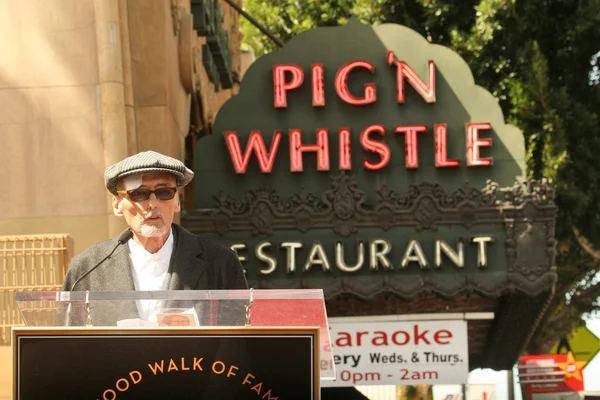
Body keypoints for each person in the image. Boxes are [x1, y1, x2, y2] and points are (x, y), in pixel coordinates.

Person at [61, 150, 248, 324]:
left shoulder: (219, 261)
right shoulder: (88, 268)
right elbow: (64, 348)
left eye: (164, 192)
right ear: (117, 205)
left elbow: (239, 343)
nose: (152, 204)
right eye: (138, 194)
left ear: (176, 202)